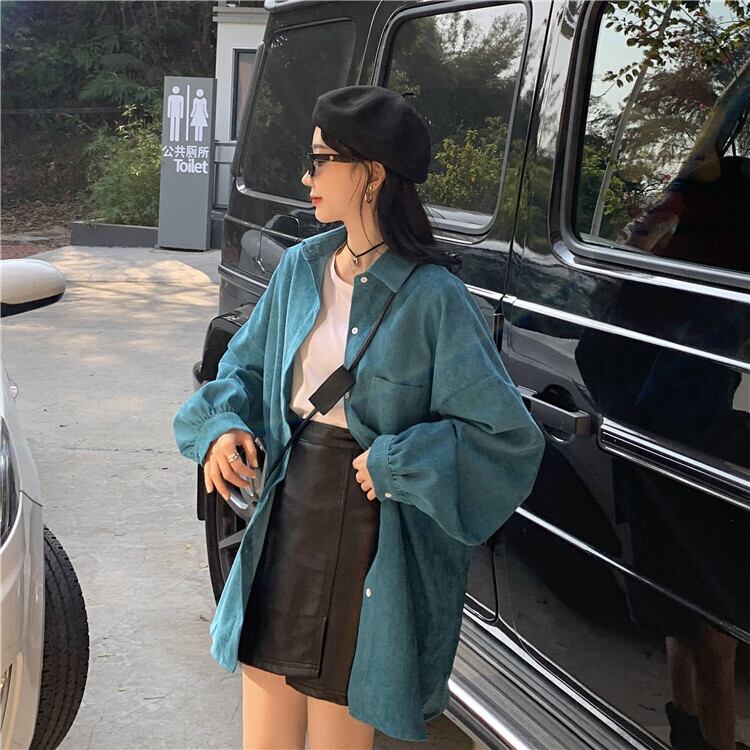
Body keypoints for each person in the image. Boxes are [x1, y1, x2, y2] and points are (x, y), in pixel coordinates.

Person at [172, 84, 545, 748]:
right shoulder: (300, 268)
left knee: (340, 720)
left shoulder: (434, 298)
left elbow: (507, 438)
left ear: (371, 174)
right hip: (287, 511)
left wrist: (402, 462)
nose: (306, 177)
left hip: (372, 538)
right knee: (264, 718)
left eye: (320, 161)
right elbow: (244, 370)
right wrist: (221, 427)